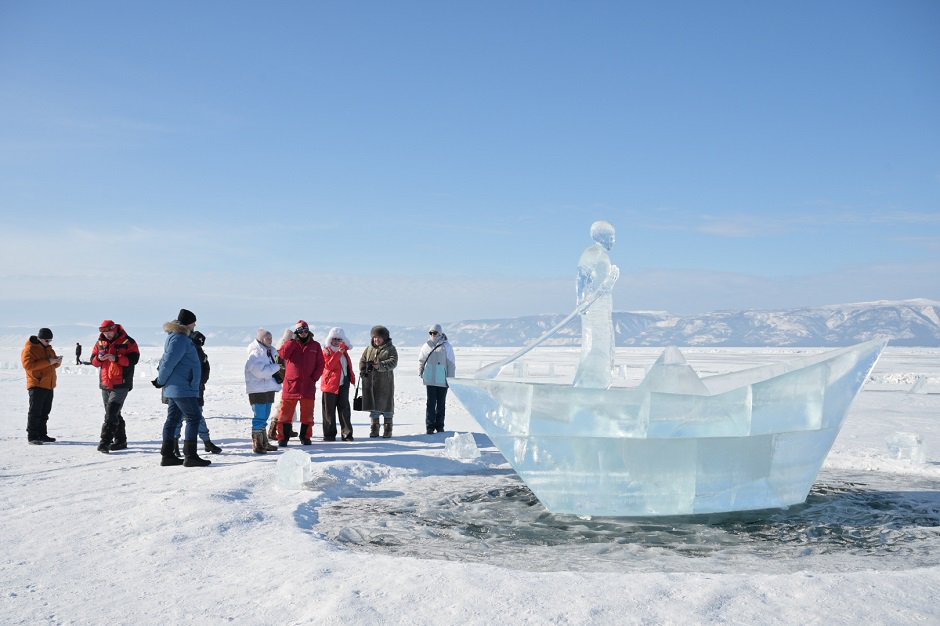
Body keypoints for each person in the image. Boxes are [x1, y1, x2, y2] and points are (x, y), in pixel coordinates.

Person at [152, 308, 211, 467]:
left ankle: (168, 455)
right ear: (188, 323)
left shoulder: (180, 337)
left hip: (179, 386)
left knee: (173, 419)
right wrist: (160, 380)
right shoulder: (179, 339)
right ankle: (190, 456)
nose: (195, 325)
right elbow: (168, 362)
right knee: (194, 417)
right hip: (182, 387)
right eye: (193, 322)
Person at [573, 220, 619, 389]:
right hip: (593, 308)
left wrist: (609, 285)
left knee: (606, 345)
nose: (614, 241)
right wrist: (580, 300)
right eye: (612, 237)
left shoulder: (603, 255)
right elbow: (581, 276)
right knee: (597, 345)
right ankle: (590, 384)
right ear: (603, 237)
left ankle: (600, 383)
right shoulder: (593, 253)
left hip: (603, 306)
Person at [91, 320, 140, 453]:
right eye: (104, 332)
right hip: (105, 383)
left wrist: (116, 358)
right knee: (113, 413)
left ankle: (105, 442)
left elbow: (133, 360)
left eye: (109, 331)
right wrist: (99, 359)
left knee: (111, 413)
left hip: (121, 384)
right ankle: (121, 441)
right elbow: (93, 361)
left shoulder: (129, 342)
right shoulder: (100, 343)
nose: (107, 334)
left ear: (114, 329)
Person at [169, 330, 222, 456]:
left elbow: (205, 369)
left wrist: (199, 383)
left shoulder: (199, 352)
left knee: (197, 416)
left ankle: (206, 442)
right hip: (182, 390)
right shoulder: (182, 349)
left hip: (196, 390)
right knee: (180, 417)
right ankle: (175, 444)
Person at [276, 320, 324, 446]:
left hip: (308, 385)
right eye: (301, 331)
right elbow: (283, 355)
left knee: (308, 415)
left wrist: (314, 378)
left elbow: (320, 364)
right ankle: (282, 438)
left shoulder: (315, 346)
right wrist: (291, 341)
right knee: (285, 414)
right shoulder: (291, 344)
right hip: (291, 385)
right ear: (297, 332)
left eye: (306, 330)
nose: (303, 333)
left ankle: (305, 437)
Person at [21, 327, 62, 444]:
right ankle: (32, 436)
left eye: (50, 341)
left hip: (49, 385)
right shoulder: (29, 349)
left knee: (45, 412)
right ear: (40, 339)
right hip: (36, 384)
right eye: (47, 340)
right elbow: (28, 365)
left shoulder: (49, 349)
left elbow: (52, 366)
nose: (49, 343)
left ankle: (42, 434)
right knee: (35, 411)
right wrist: (49, 362)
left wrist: (57, 362)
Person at [244, 328, 281, 454]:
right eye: (267, 338)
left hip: (268, 388)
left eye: (271, 337)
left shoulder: (269, 351)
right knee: (259, 416)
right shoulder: (255, 354)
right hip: (257, 390)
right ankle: (257, 444)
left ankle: (264, 442)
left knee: (265, 416)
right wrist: (276, 367)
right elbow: (261, 372)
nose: (270, 340)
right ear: (261, 339)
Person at [359, 325, 397, 438]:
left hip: (385, 383)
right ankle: (374, 429)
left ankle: (388, 429)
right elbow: (363, 360)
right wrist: (363, 370)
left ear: (384, 338)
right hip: (371, 383)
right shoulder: (369, 348)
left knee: (387, 407)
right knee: (374, 406)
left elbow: (393, 362)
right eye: (375, 337)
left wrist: (380, 365)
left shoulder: (390, 348)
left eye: (379, 337)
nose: (377, 339)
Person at [417, 323, 456, 434]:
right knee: (430, 403)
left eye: (435, 332)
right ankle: (429, 427)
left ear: (440, 333)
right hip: (430, 379)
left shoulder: (446, 346)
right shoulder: (426, 345)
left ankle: (439, 427)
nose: (433, 335)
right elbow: (421, 360)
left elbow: (451, 364)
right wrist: (420, 372)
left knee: (441, 404)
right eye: (431, 333)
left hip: (442, 379)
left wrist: (451, 379)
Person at [320, 327, 356, 441]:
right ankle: (329, 435)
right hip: (330, 385)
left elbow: (347, 366)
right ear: (330, 339)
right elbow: (329, 366)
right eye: (334, 339)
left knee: (344, 409)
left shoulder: (344, 352)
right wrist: (338, 353)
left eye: (339, 339)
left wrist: (351, 378)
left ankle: (347, 433)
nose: (336, 341)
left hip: (343, 383)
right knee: (329, 411)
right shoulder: (326, 351)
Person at [267, 328, 292, 441]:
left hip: (290, 381)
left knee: (290, 406)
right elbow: (279, 367)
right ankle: (272, 429)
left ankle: (288, 428)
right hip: (283, 382)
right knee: (281, 405)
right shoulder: (280, 352)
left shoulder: (285, 350)